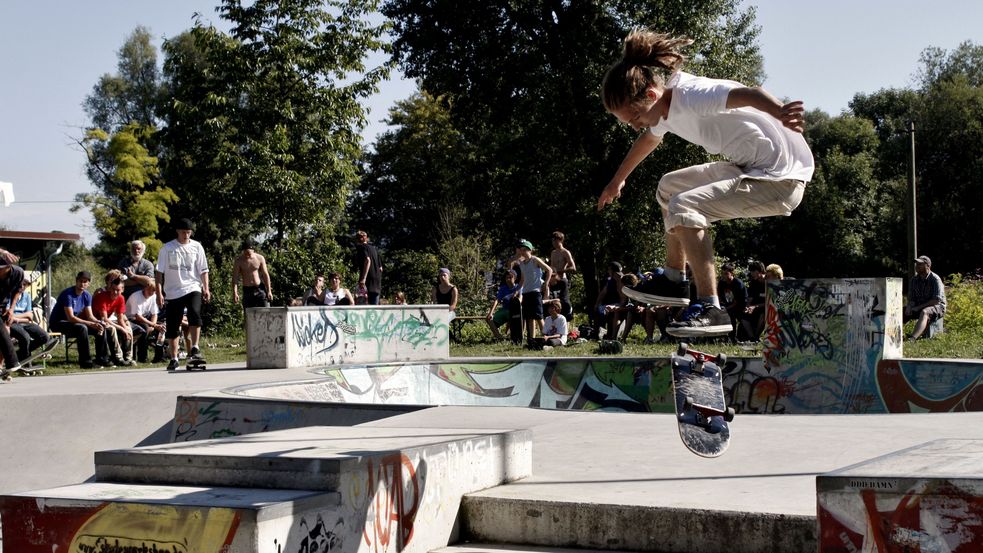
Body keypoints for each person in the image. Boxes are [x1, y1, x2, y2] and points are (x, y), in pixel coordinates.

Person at [596, 28, 814, 338]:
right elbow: (648, 141)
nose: (636, 126)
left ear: (650, 95)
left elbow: (749, 93)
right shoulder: (663, 111)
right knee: (669, 188)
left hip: (780, 179)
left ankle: (712, 307)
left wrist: (780, 112)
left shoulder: (691, 96)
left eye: (635, 119)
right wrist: (617, 180)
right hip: (748, 168)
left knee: (685, 204)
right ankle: (674, 279)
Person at [156, 218, 210, 371]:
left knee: (194, 313)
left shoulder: (197, 247)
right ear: (177, 232)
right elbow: (159, 272)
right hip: (173, 291)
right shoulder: (167, 248)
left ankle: (194, 346)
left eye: (188, 232)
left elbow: (203, 270)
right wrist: (159, 292)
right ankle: (173, 358)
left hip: (193, 287)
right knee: (173, 325)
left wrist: (206, 288)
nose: (186, 235)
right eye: (183, 232)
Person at [48, 271, 104, 369]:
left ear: (88, 283)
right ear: (76, 281)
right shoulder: (68, 294)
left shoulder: (87, 295)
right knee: (82, 328)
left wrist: (99, 322)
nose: (82, 284)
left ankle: (102, 358)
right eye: (80, 281)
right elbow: (71, 317)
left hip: (72, 323)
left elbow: (90, 316)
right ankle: (85, 362)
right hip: (58, 323)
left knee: (100, 327)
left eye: (85, 282)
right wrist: (90, 323)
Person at [91, 270, 135, 366]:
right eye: (113, 289)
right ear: (110, 288)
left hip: (105, 320)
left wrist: (125, 328)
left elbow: (120, 318)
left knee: (128, 329)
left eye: (118, 290)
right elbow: (104, 318)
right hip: (95, 319)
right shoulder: (101, 295)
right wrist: (121, 328)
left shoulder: (121, 298)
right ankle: (118, 357)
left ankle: (128, 357)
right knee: (112, 329)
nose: (115, 292)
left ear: (122, 290)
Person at [9, 274, 55, 363]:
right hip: (11, 323)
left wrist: (17, 318)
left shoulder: (26, 296)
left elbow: (30, 317)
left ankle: (20, 354)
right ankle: (25, 361)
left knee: (44, 337)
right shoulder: (8, 295)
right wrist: (23, 315)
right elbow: (8, 316)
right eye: (21, 284)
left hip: (23, 322)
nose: (22, 286)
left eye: (25, 284)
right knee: (25, 337)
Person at [513, 239, 553, 341]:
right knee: (529, 318)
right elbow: (522, 279)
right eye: (521, 250)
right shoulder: (521, 264)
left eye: (525, 250)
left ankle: (546, 338)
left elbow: (549, 270)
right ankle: (532, 339)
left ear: (530, 250)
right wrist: (517, 290)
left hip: (535, 292)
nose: (522, 252)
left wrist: (546, 283)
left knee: (539, 317)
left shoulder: (535, 260)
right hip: (526, 293)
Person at [905, 255, 946, 340]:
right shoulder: (914, 280)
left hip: (938, 307)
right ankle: (894, 335)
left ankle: (912, 338)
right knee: (901, 312)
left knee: (925, 312)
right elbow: (912, 298)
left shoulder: (935, 279)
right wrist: (909, 306)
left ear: (928, 266)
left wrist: (918, 307)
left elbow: (936, 300)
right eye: (916, 264)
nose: (917, 266)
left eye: (920, 264)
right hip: (919, 306)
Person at [127, 282, 166, 363]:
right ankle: (142, 357)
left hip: (145, 319)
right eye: (150, 290)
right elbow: (137, 316)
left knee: (162, 329)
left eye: (154, 291)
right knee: (144, 329)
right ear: (145, 288)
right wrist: (153, 325)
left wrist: (153, 325)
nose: (152, 293)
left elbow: (154, 314)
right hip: (131, 318)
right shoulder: (136, 296)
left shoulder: (153, 296)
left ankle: (159, 356)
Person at [0, 262, 26, 374]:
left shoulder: (18, 273)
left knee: (6, 329)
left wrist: (11, 309)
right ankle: (12, 361)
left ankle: (0, 365)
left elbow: (18, 291)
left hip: (2, 306)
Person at [232, 239, 272, 309]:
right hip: (247, 291)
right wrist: (235, 292)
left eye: (249, 254)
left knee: (266, 312)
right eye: (245, 253)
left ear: (253, 250)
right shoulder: (239, 261)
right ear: (243, 251)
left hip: (260, 289)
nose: (247, 255)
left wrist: (269, 291)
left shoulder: (260, 258)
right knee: (249, 315)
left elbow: (265, 275)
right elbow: (235, 278)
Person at [486, 269, 521, 341]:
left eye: (510, 277)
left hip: (515, 312)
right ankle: (499, 337)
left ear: (515, 278)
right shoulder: (503, 288)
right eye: (506, 278)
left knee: (513, 316)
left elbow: (521, 299)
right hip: (504, 310)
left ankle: (515, 337)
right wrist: (491, 313)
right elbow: (497, 300)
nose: (508, 279)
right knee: (489, 319)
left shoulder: (518, 287)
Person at [592, 261, 624, 340]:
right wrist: (597, 304)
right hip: (609, 304)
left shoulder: (622, 280)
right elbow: (603, 293)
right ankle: (596, 334)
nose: (608, 271)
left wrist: (617, 306)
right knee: (597, 311)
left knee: (611, 312)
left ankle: (611, 334)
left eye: (609, 270)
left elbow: (623, 298)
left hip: (619, 304)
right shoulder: (610, 281)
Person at [718, 263, 747, 343]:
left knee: (731, 314)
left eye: (726, 274)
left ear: (732, 273)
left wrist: (726, 309)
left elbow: (737, 302)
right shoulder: (721, 283)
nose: (723, 276)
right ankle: (721, 337)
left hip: (739, 306)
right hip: (727, 305)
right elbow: (719, 297)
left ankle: (733, 337)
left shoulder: (738, 283)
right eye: (722, 273)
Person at [740, 261, 767, 342]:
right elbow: (750, 298)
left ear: (759, 271)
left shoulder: (769, 281)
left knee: (763, 315)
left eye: (753, 271)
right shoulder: (753, 283)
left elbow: (771, 301)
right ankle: (752, 338)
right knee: (744, 317)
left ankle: (756, 336)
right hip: (755, 307)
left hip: (766, 307)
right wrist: (747, 307)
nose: (751, 274)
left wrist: (755, 307)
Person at [353, 230, 383, 305]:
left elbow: (367, 260)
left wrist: (363, 278)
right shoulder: (374, 249)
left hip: (367, 281)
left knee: (363, 307)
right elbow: (381, 268)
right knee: (374, 308)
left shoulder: (361, 247)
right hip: (376, 281)